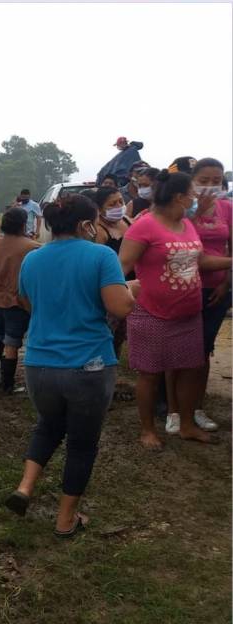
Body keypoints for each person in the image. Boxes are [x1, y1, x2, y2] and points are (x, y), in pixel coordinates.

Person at [4, 194, 137, 537]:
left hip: (39, 365)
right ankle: (66, 519)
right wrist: (130, 290)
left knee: (48, 425)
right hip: (88, 366)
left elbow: (25, 300)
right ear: (85, 225)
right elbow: (120, 307)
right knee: (81, 443)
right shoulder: (101, 255)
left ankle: (25, 488)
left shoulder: (33, 259)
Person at [118, 170, 232, 449]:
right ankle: (147, 430)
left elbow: (200, 259)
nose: (195, 200)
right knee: (150, 373)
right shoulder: (144, 226)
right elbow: (120, 267)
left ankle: (187, 424)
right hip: (152, 312)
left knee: (190, 368)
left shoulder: (186, 224)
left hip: (188, 313)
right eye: (192, 195)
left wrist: (229, 261)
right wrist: (124, 294)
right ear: (180, 197)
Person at [164, 158, 232, 434]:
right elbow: (172, 240)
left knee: (203, 351)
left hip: (215, 290)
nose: (210, 186)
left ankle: (196, 407)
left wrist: (226, 284)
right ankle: (173, 410)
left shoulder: (227, 208)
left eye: (216, 181)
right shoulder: (181, 208)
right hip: (181, 287)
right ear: (191, 180)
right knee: (177, 350)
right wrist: (195, 213)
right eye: (203, 181)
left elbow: (230, 250)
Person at [0, 207, 38, 393]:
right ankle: (8, 385)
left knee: (0, 335)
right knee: (12, 343)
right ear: (23, 225)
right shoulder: (32, 247)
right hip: (15, 301)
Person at [93, 186, 134, 358]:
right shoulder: (99, 231)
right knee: (108, 331)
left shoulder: (127, 221)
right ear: (100, 208)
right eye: (112, 204)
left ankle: (115, 363)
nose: (119, 206)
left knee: (122, 335)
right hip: (111, 288)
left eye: (120, 202)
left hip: (132, 286)